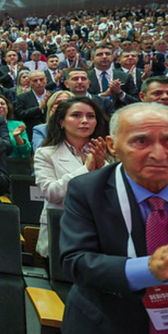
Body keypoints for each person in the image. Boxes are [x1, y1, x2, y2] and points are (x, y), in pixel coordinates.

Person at [60, 103, 168, 334]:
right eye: (141, 141)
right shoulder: (87, 190)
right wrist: (147, 269)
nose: (159, 154)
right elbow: (76, 262)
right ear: (112, 145)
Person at [33, 96, 109, 258]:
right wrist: (87, 169)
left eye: (90, 116)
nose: (84, 121)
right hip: (61, 230)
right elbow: (51, 193)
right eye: (76, 115)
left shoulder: (105, 152)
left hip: (97, 232)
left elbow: (113, 195)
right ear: (61, 122)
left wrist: (102, 166)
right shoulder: (46, 154)